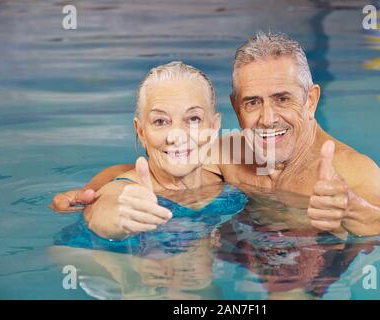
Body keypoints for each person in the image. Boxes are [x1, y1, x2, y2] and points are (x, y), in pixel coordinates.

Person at [51, 32, 380, 237]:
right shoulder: (231, 152)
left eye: (283, 99)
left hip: (313, 262)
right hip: (246, 251)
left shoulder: (349, 170)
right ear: (236, 107)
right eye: (253, 102)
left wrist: (351, 207)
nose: (268, 118)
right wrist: (93, 190)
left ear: (311, 99)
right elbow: (159, 166)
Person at [65, 61, 247, 240]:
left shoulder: (228, 182)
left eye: (193, 119)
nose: (177, 136)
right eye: (160, 121)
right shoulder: (125, 189)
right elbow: (106, 209)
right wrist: (121, 218)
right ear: (141, 132)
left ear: (214, 127)